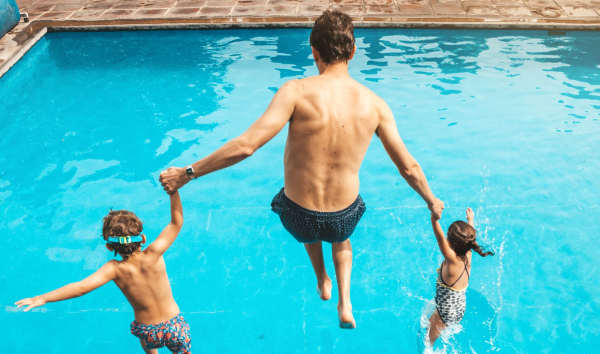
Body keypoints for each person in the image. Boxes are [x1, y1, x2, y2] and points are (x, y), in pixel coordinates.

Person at [159, 10, 443, 329]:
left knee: (308, 227)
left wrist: (187, 173)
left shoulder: (296, 91)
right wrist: (431, 199)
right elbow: (408, 167)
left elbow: (247, 145)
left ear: (313, 51)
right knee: (341, 240)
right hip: (343, 217)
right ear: (353, 52)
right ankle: (345, 301)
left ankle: (322, 280)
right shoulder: (375, 105)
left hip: (297, 215)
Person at [15, 191, 204, 354]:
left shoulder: (113, 269)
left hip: (147, 329)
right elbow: (176, 222)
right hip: (173, 325)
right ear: (142, 239)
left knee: (146, 339)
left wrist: (43, 298)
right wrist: (174, 192)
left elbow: (81, 287)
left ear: (108, 247)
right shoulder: (154, 252)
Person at [428, 207, 494, 344]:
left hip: (446, 312)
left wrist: (434, 220)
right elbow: (468, 239)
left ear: (450, 243)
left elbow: (440, 239)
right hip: (458, 307)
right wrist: (471, 220)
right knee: (431, 320)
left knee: (428, 341)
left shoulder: (452, 261)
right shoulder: (468, 255)